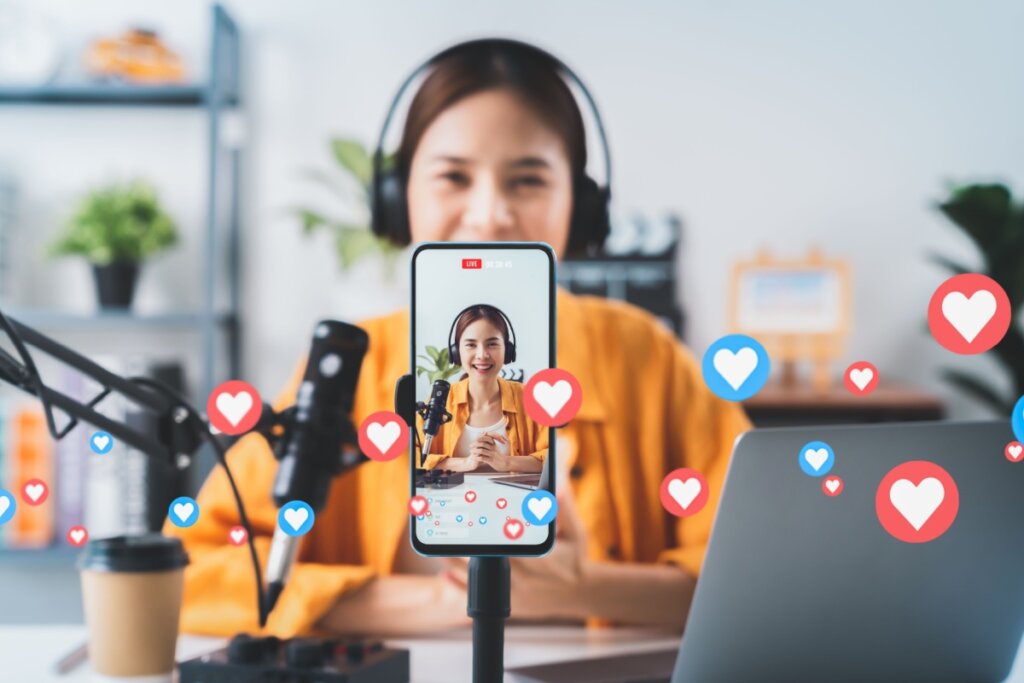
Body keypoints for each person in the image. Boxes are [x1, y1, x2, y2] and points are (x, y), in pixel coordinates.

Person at [165, 39, 751, 638]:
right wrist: (436, 603)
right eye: (453, 176)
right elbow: (188, 571)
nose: (489, 214)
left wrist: (584, 586)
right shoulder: (353, 365)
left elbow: (758, 580)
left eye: (528, 180)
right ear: (397, 199)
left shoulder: (645, 356)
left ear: (580, 205)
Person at [420, 304, 546, 473]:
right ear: (456, 352)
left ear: (508, 351)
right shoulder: (441, 400)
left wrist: (505, 463)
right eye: (471, 345)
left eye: (492, 344)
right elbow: (415, 457)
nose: (482, 355)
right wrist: (466, 463)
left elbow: (553, 457)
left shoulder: (530, 399)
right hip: (454, 499)